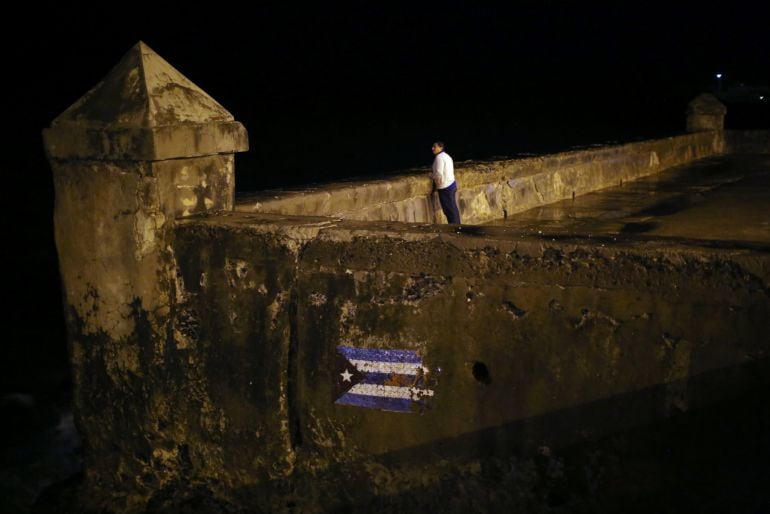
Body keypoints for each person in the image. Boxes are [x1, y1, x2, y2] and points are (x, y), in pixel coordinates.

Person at [431, 141, 461, 224]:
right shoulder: (447, 156)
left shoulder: (439, 158)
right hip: (451, 184)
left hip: (445, 187)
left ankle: (455, 228)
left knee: (449, 210)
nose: (432, 148)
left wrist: (437, 185)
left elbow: (438, 173)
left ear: (441, 148)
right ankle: (457, 226)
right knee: (452, 208)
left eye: (435, 147)